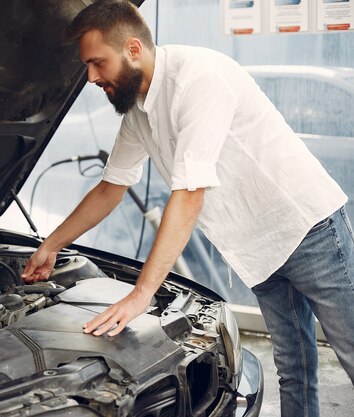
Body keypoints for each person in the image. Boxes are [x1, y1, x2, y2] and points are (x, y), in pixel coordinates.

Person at [20, 1, 354, 416]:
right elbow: (111, 187)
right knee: (294, 370)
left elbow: (190, 192)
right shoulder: (139, 111)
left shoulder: (200, 79)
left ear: (134, 49)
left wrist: (142, 294)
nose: (91, 77)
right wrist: (51, 244)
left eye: (97, 63)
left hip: (309, 230)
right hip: (257, 250)